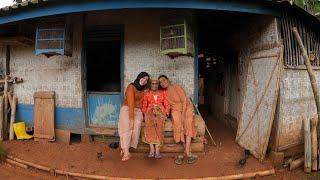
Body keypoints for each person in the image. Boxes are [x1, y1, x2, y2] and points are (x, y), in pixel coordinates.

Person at [158, 75, 197, 164]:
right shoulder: (164, 93)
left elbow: (184, 101)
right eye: (160, 82)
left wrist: (183, 114)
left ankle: (186, 150)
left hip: (186, 107)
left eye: (163, 80)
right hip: (175, 110)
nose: (162, 83)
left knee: (188, 122)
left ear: (168, 80)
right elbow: (166, 106)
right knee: (177, 124)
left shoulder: (176, 87)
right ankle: (187, 151)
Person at [118, 72, 150, 161]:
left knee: (137, 125)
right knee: (127, 126)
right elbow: (131, 103)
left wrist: (146, 113)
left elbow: (144, 104)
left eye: (146, 80)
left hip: (138, 111)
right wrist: (131, 119)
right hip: (127, 108)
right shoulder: (131, 87)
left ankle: (124, 148)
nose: (144, 81)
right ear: (138, 77)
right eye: (143, 78)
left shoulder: (144, 90)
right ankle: (126, 152)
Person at [142, 78, 170, 159]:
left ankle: (157, 149)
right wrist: (145, 114)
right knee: (149, 124)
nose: (154, 85)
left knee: (159, 125)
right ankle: (151, 148)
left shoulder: (163, 93)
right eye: (152, 84)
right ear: (150, 85)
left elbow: (167, 105)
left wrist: (166, 113)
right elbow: (144, 105)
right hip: (149, 112)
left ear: (158, 85)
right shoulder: (147, 94)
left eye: (156, 83)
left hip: (160, 112)